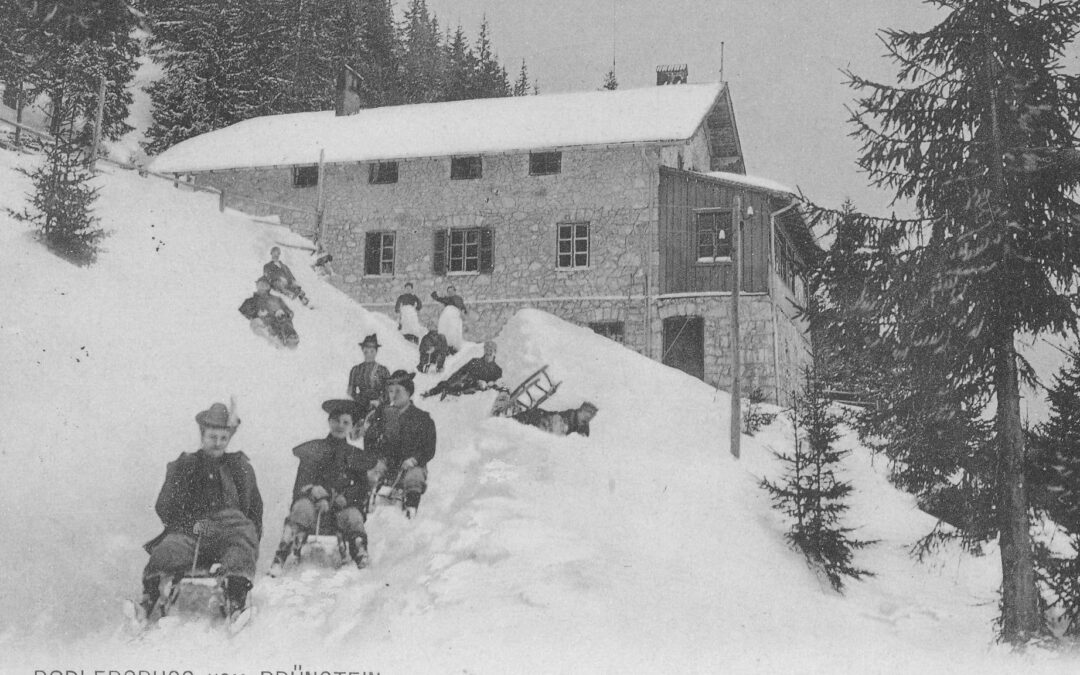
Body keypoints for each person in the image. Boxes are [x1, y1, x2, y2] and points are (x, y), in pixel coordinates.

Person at [139, 401, 263, 619]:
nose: (217, 443)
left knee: (241, 547)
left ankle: (235, 603)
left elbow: (254, 510)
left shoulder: (240, 468)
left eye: (223, 438)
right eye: (212, 437)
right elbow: (165, 505)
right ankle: (148, 601)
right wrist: (191, 524)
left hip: (231, 533)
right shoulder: (184, 465)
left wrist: (250, 539)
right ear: (202, 435)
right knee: (166, 551)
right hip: (191, 533)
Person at [269, 400, 377, 575]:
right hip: (314, 508)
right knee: (301, 509)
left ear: (352, 426)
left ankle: (360, 555)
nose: (340, 426)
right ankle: (281, 555)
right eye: (336, 421)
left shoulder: (356, 456)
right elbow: (302, 482)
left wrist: (346, 498)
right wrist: (314, 493)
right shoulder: (314, 449)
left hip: (342, 508)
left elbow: (361, 488)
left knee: (353, 516)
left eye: (346, 422)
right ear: (329, 422)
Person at [362, 370, 436, 518]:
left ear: (408, 392)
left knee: (414, 476)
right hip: (386, 462)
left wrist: (414, 459)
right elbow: (369, 442)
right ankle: (365, 504)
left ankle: (411, 510)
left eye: (398, 391)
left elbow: (429, 447)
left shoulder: (422, 418)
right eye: (390, 391)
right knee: (370, 472)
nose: (393, 395)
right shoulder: (382, 415)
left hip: (409, 464)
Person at [422, 340, 502, 399]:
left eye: (491, 350)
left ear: (495, 352)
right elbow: (460, 373)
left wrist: (486, 385)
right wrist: (449, 382)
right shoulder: (475, 362)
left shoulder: (497, 370)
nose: (489, 352)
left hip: (478, 396)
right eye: (487, 349)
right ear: (484, 350)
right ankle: (430, 393)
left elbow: (496, 387)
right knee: (446, 385)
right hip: (465, 387)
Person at [239, 277, 299, 348]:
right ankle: (269, 343)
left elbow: (290, 313)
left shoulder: (277, 299)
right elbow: (241, 316)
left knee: (285, 323)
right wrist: (257, 314)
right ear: (257, 286)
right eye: (261, 285)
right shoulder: (251, 301)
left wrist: (283, 313)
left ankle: (290, 339)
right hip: (263, 325)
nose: (263, 287)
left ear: (269, 287)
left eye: (265, 285)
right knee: (257, 322)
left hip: (278, 325)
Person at [348, 333, 391, 412]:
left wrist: (379, 401)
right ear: (362, 350)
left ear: (376, 351)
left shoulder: (383, 370)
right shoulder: (356, 370)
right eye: (366, 351)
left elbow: (389, 392)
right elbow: (350, 391)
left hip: (379, 407)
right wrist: (361, 401)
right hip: (360, 405)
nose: (369, 354)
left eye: (372, 351)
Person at [513, 401, 598, 437]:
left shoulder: (584, 429)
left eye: (593, 413)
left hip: (548, 431)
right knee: (533, 417)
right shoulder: (570, 414)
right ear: (581, 410)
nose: (590, 415)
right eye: (588, 411)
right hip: (544, 419)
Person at [431, 285, 466, 353]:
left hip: (454, 316)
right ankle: (446, 346)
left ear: (455, 291)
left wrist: (462, 313)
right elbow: (439, 298)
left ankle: (454, 348)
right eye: (449, 291)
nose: (450, 292)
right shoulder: (446, 298)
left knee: (453, 331)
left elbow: (462, 307)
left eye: (451, 291)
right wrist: (434, 294)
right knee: (445, 330)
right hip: (446, 317)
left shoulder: (458, 298)